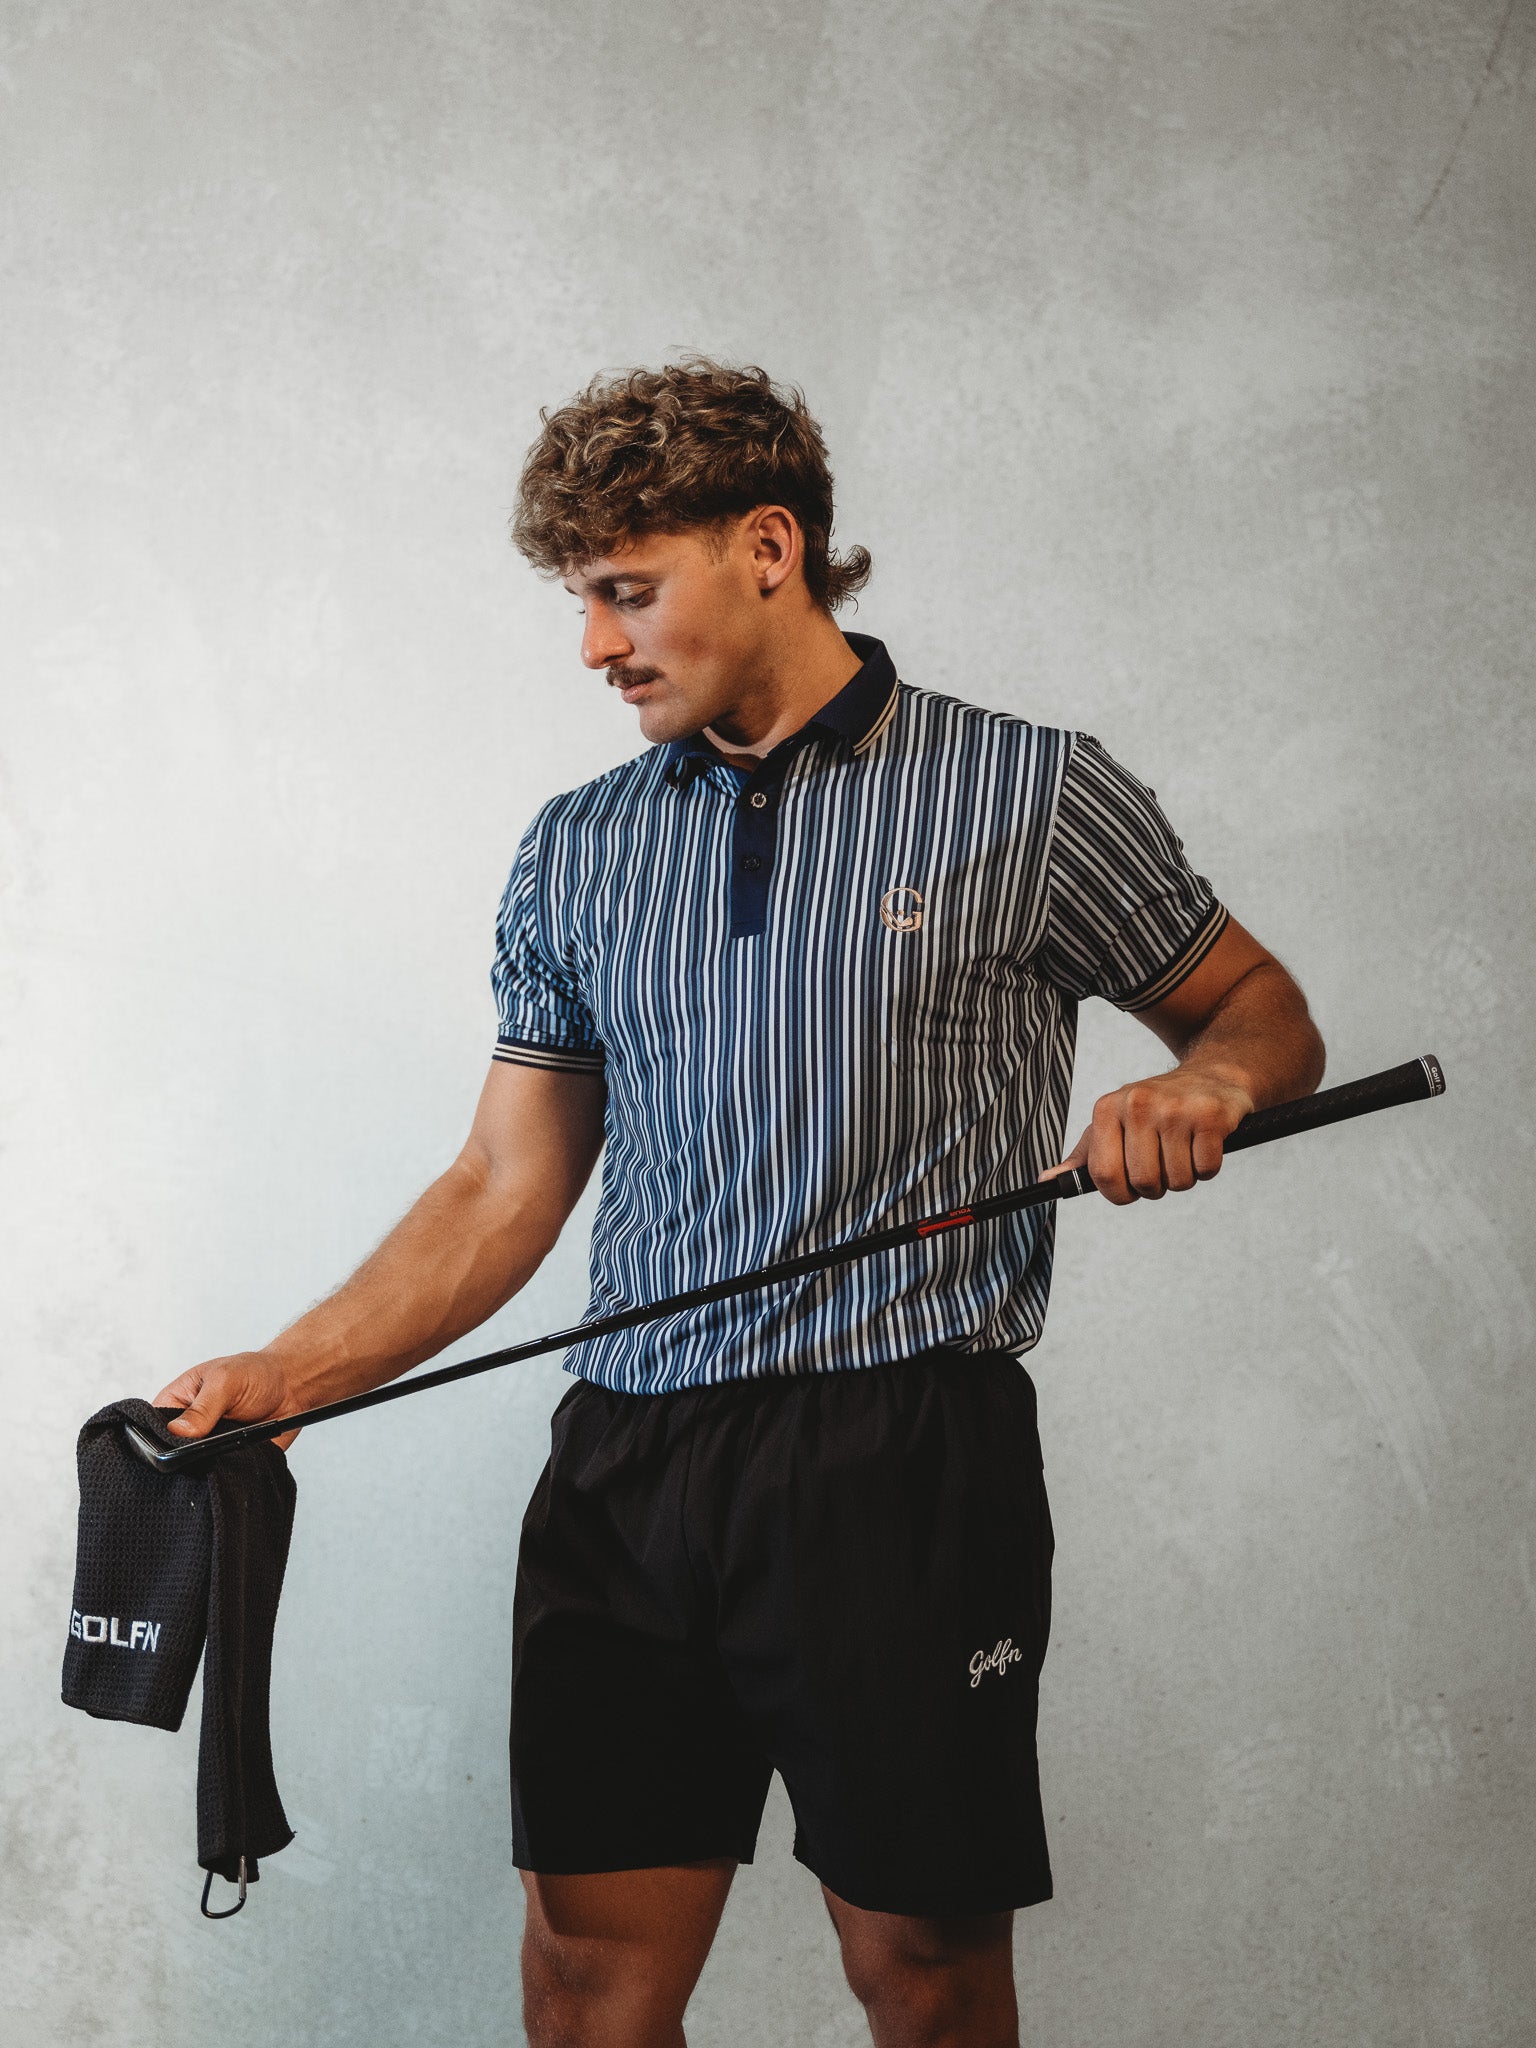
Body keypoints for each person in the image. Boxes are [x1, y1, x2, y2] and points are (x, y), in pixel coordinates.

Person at [156, 360, 1325, 2048]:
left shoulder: (1032, 792)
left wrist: (1206, 1088)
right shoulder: (578, 848)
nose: (594, 644)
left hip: (898, 1455)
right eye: (581, 599)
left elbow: (1258, 1011)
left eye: (627, 591)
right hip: (627, 1467)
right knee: (586, 1982)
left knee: (922, 1977)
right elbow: (503, 1182)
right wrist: (292, 1371)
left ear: (769, 548)